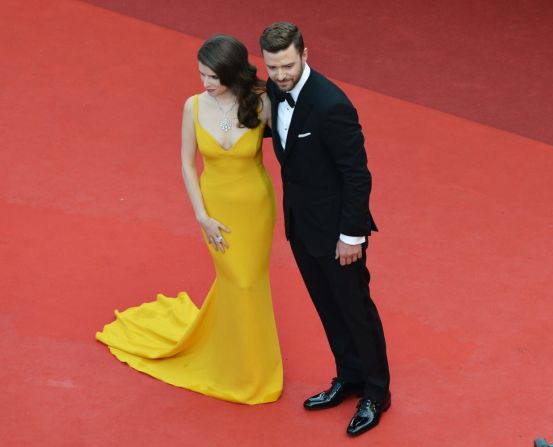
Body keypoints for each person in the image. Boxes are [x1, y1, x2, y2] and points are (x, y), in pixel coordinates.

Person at [95, 35, 282, 405]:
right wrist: (202, 217)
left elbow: (291, 149)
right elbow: (185, 164)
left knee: (249, 282)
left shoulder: (260, 103)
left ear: (232, 72)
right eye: (202, 75)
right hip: (215, 210)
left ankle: (254, 372)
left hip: (255, 207)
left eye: (213, 76)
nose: (206, 83)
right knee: (234, 280)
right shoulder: (193, 107)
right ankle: (237, 364)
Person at [260, 22, 391, 435]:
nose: (280, 75)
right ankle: (349, 377)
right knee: (328, 308)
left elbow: (356, 174)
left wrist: (351, 236)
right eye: (273, 67)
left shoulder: (332, 104)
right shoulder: (272, 92)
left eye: (287, 66)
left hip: (339, 235)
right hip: (301, 227)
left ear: (304, 54)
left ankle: (376, 392)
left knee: (355, 310)